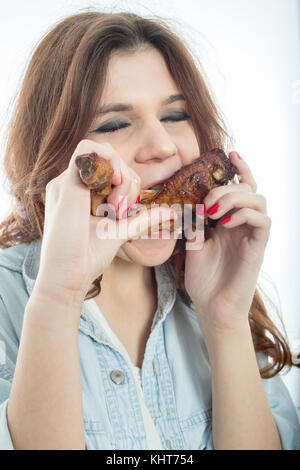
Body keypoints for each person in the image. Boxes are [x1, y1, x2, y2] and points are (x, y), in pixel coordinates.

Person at [0, 11, 299, 451]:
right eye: (115, 124)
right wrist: (60, 294)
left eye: (176, 115)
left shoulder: (212, 285)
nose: (162, 146)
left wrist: (225, 320)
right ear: (57, 155)